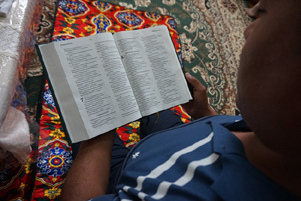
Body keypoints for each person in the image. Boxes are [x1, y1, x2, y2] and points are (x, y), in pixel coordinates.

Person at [61, 0, 301, 200]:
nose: (247, 31)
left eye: (260, 15)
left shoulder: (178, 193)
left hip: (132, 172)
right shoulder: (276, 133)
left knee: (85, 114)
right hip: (192, 133)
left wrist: (101, 131)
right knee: (150, 97)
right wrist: (205, 113)